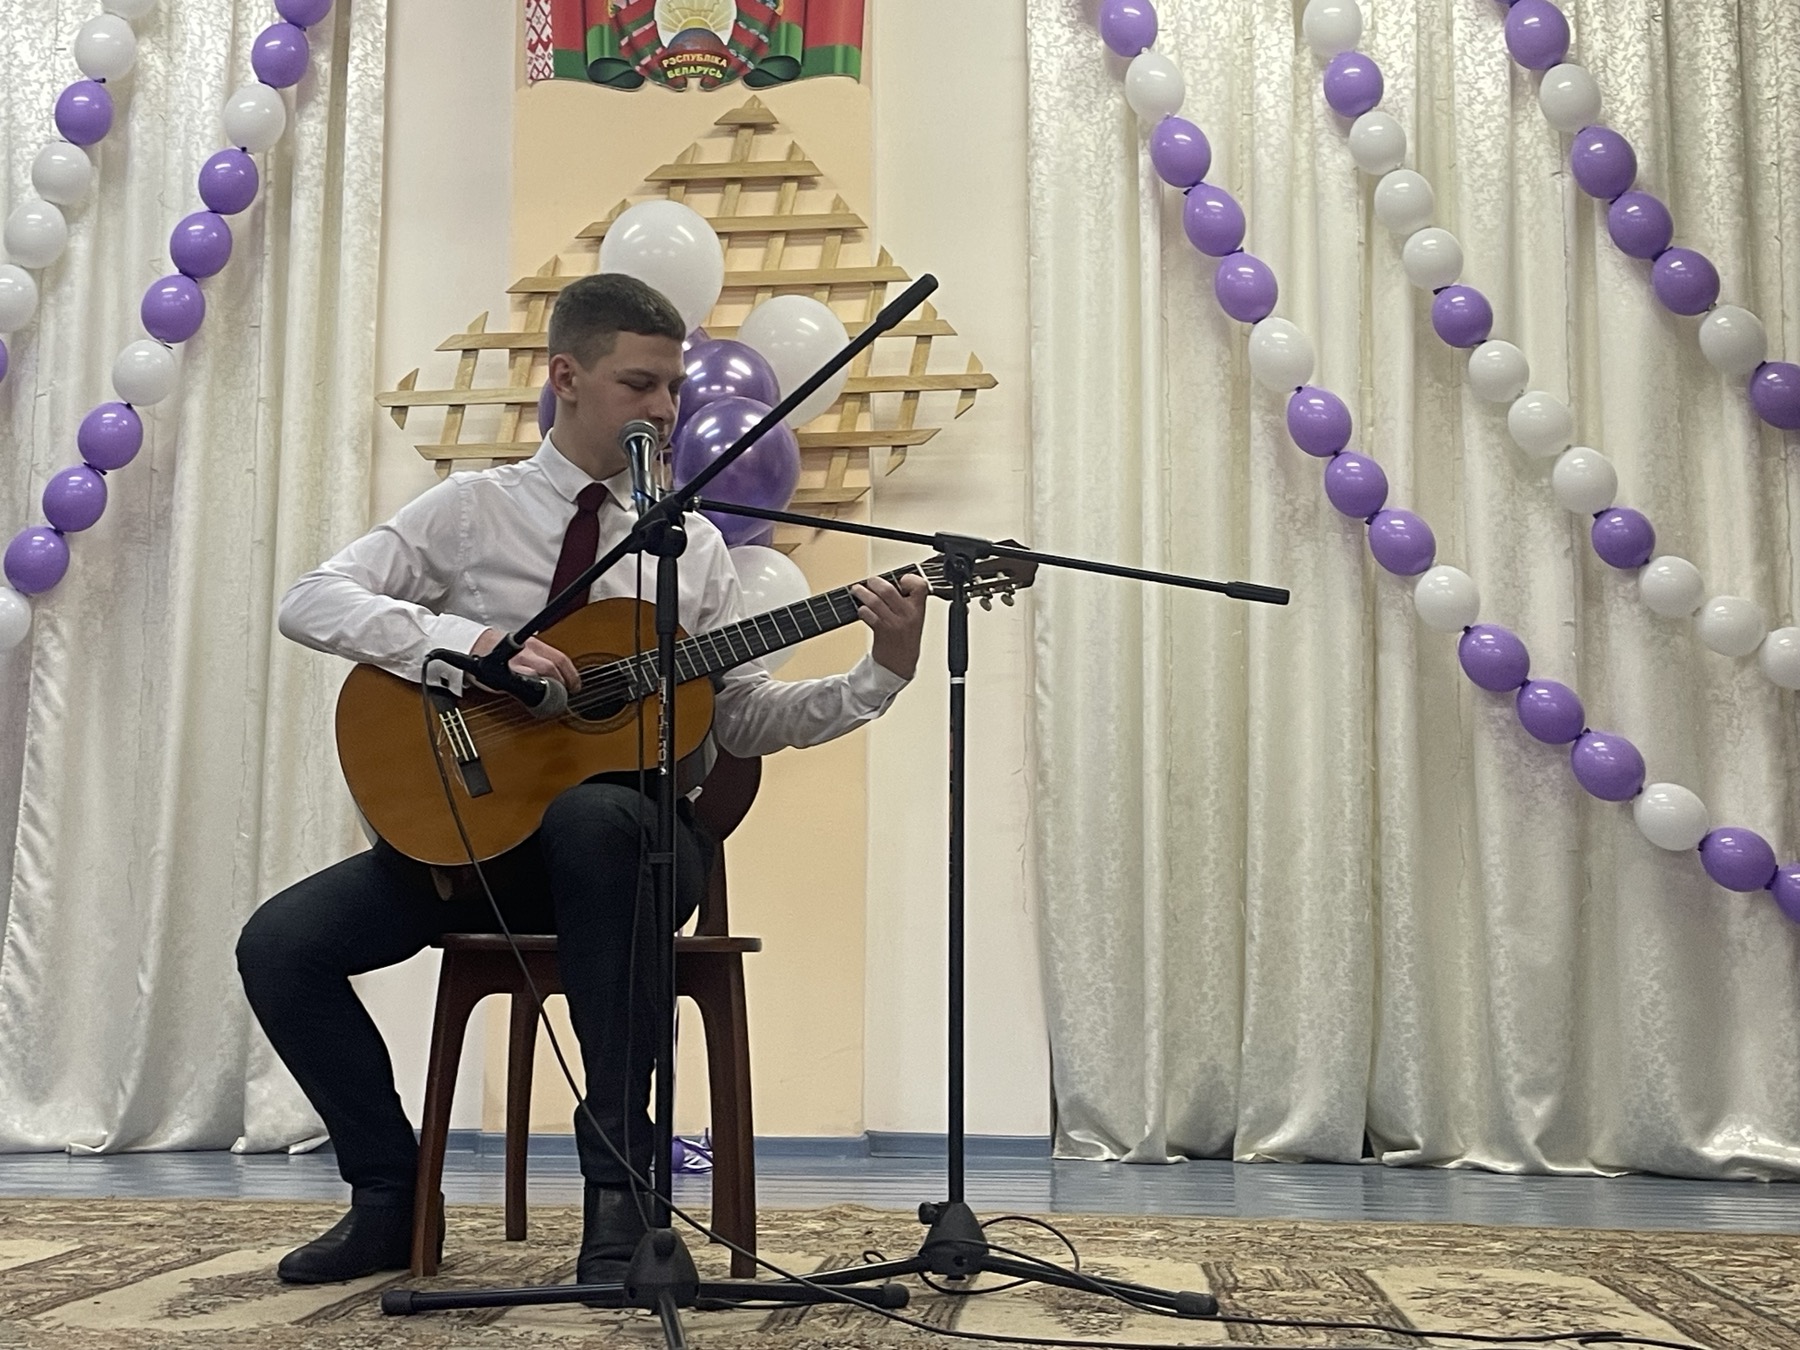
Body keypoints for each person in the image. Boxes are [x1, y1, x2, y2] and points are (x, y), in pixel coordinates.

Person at [236, 272, 929, 1285]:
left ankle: (619, 1198)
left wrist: (880, 673)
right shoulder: (473, 512)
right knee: (279, 947)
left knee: (599, 819)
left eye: (674, 388)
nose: (665, 408)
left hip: (635, 854)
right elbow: (312, 600)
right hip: (477, 845)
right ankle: (388, 1196)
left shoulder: (692, 549)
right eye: (639, 384)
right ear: (566, 377)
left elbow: (740, 713)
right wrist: (470, 645)